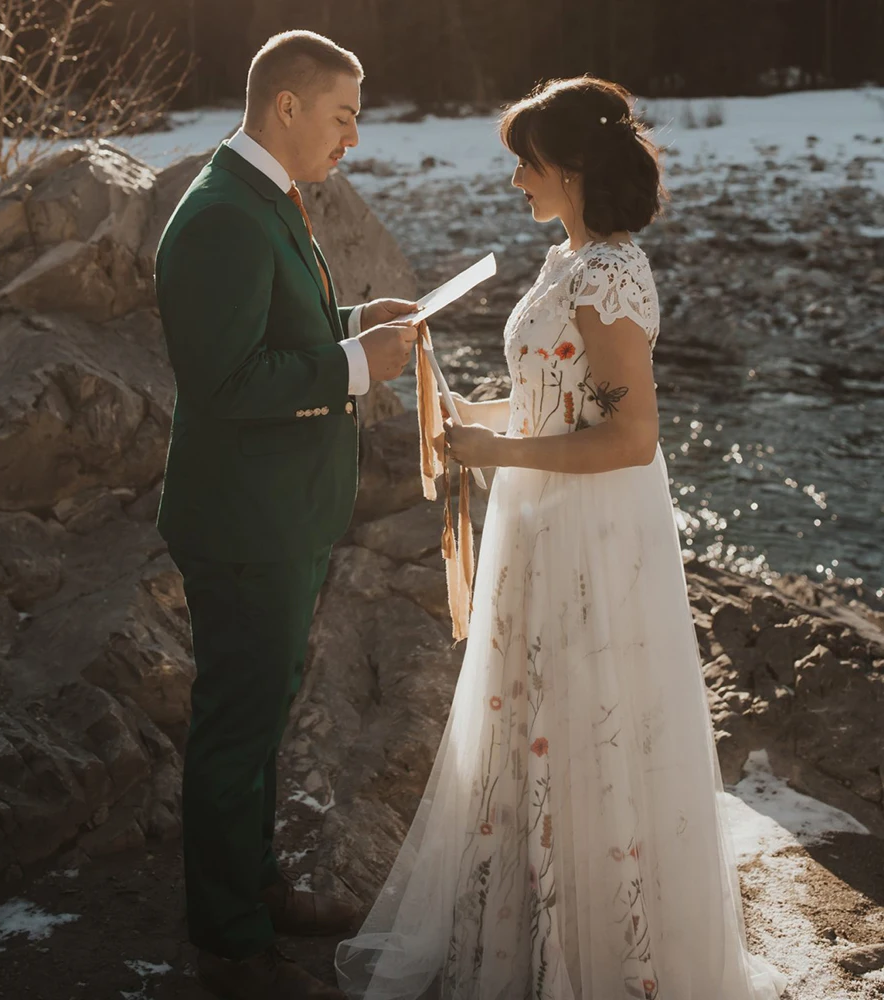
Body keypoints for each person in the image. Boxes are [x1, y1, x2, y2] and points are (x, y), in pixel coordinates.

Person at [336, 77, 788, 1000]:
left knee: (589, 721)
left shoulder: (610, 275)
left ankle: (601, 958)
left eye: (526, 163)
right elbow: (560, 406)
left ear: (572, 168)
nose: (515, 182)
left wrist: (496, 447)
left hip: (592, 531)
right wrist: (467, 413)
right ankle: (534, 933)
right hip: (542, 521)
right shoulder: (564, 262)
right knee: (537, 717)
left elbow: (628, 438)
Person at [154, 30, 419, 1000]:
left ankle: (252, 892)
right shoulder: (225, 213)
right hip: (244, 527)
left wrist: (357, 327)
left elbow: (274, 332)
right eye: (344, 116)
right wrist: (356, 368)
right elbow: (225, 380)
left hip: (279, 521)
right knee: (236, 725)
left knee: (260, 717)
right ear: (289, 107)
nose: (352, 138)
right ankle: (229, 947)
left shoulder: (261, 198)